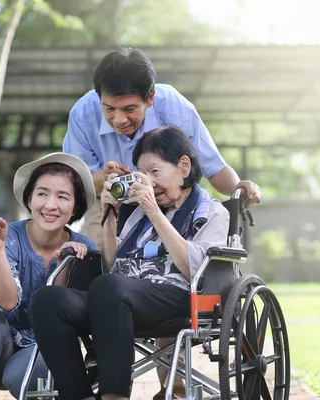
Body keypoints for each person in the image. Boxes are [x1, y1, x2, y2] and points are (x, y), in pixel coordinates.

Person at [63, 46, 260, 398]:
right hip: (107, 199)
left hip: (174, 201)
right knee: (95, 269)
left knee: (163, 269)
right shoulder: (83, 114)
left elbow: (211, 166)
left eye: (130, 109)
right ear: (98, 99)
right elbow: (73, 182)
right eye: (109, 109)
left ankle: (174, 381)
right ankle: (103, 357)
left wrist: (239, 191)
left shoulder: (174, 107)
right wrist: (103, 180)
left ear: (150, 99)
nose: (119, 119)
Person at [29, 126, 230, 400]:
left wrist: (153, 211)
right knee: (48, 299)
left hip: (181, 296)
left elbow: (195, 269)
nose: (149, 182)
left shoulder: (212, 212)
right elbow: (112, 267)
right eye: (143, 174)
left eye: (155, 172)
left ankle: (115, 395)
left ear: (184, 166)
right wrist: (110, 217)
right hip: (119, 299)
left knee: (110, 287)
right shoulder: (136, 214)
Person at [0, 153, 97, 400]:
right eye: (42, 194)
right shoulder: (10, 236)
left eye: (62, 196)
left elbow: (64, 315)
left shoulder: (83, 248)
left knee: (33, 371)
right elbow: (7, 303)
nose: (50, 204)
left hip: (38, 356)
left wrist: (66, 264)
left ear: (75, 207)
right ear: (29, 199)